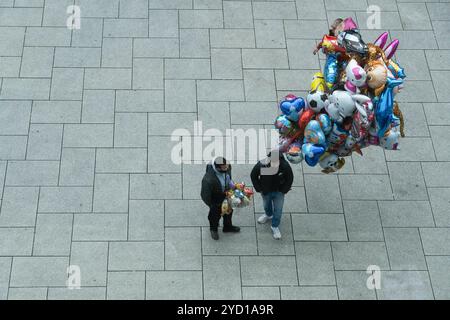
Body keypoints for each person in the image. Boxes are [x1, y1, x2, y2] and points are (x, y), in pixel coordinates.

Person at [250, 152, 293, 240]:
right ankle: (268, 215)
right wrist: (259, 188)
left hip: (279, 192)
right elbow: (253, 175)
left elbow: (290, 178)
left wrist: (284, 190)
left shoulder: (285, 166)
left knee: (278, 210)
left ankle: (275, 226)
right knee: (266, 205)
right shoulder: (262, 165)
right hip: (266, 191)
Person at [201, 157, 240, 240]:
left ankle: (227, 227)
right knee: (214, 216)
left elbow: (229, 177)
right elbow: (205, 195)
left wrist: (232, 185)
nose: (227, 168)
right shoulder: (208, 179)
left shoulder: (227, 167)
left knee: (229, 212)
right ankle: (213, 229)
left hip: (227, 196)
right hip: (216, 201)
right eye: (224, 168)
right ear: (218, 168)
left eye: (227, 166)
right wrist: (212, 205)